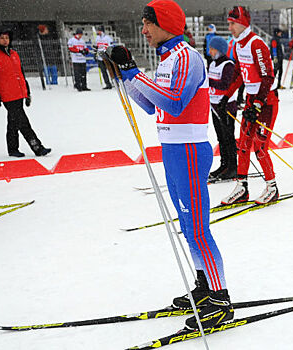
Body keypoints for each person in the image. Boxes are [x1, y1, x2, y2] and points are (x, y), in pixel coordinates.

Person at [107, 0, 232, 330]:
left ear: (164, 23)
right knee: (188, 227)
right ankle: (205, 287)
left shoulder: (187, 57)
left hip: (190, 150)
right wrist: (127, 75)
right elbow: (151, 104)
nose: (144, 30)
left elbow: (175, 102)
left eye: (148, 23)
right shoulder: (166, 59)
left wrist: (134, 71)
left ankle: (220, 300)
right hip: (174, 150)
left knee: (198, 230)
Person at [221, 5, 280, 205]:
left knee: (260, 146)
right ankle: (242, 187)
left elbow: (268, 77)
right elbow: (239, 74)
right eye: (229, 24)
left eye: (232, 24)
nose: (230, 28)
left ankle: (272, 187)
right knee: (244, 144)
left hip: (266, 102)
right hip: (251, 100)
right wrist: (226, 96)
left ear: (242, 24)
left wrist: (257, 104)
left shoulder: (256, 44)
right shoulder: (238, 45)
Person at [0, 26, 51, 157]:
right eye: (2, 38)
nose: (5, 40)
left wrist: (27, 93)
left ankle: (12, 148)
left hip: (18, 93)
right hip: (7, 95)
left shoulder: (14, 54)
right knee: (23, 123)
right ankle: (37, 147)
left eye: (7, 38)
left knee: (13, 123)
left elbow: (21, 74)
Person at [207, 35, 242, 181]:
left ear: (220, 50)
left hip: (226, 106)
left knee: (228, 137)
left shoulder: (228, 65)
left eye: (213, 49)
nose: (210, 52)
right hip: (214, 106)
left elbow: (226, 85)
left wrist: (209, 82)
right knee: (220, 137)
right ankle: (224, 165)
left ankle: (233, 167)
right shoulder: (212, 64)